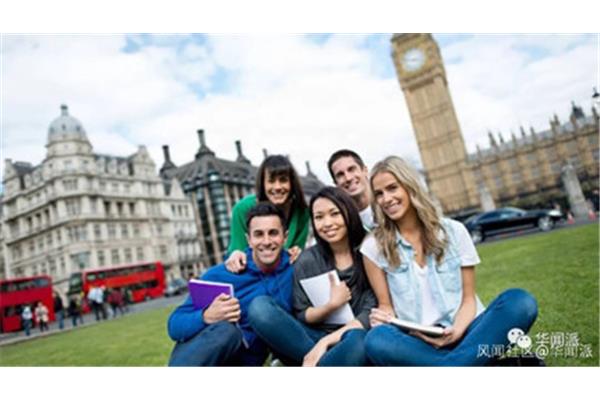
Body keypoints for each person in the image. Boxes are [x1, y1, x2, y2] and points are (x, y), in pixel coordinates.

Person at [360, 156, 538, 366]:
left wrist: (457, 330)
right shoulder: (373, 246)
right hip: (418, 342)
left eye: (392, 188)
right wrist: (381, 319)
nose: (386, 199)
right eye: (379, 194)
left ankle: (449, 366)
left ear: (410, 186)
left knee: (520, 302)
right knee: (376, 339)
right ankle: (477, 364)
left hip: (467, 330)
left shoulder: (454, 231)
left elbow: (468, 300)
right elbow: (386, 306)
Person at [247, 187, 376, 366]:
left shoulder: (369, 252)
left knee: (359, 341)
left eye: (334, 213)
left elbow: (370, 315)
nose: (327, 223)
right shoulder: (307, 260)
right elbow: (302, 314)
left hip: (353, 335)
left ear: (348, 212)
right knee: (259, 307)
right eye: (319, 217)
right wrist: (331, 306)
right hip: (310, 340)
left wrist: (327, 342)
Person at [167, 203, 295, 366]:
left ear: (285, 237)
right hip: (209, 359)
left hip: (247, 364)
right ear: (249, 240)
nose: (266, 241)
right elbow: (174, 325)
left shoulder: (295, 270)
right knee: (226, 330)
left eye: (273, 233)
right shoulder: (221, 275)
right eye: (258, 234)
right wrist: (206, 316)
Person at [226, 155, 310, 272]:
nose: (277, 187)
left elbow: (297, 250)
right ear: (263, 184)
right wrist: (236, 255)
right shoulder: (242, 209)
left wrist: (296, 251)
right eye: (271, 181)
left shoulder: (302, 211)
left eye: (283, 180)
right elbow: (237, 251)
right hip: (251, 273)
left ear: (292, 183)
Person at [327, 149, 376, 231]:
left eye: (351, 169)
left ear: (365, 171)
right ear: (336, 183)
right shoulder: (342, 225)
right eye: (340, 175)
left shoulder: (389, 203)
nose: (348, 178)